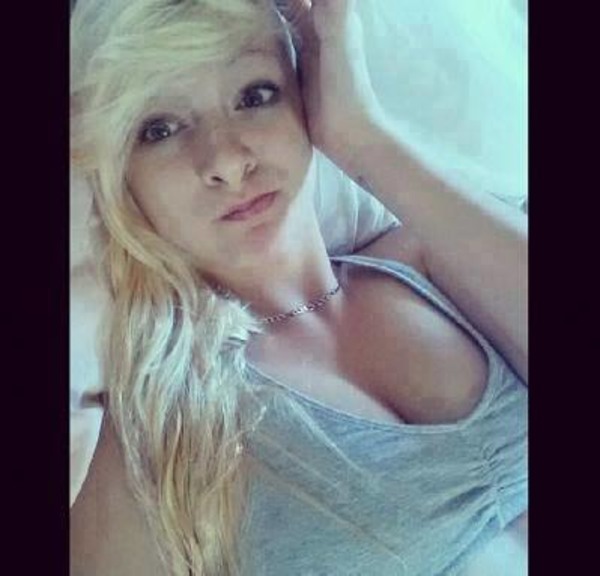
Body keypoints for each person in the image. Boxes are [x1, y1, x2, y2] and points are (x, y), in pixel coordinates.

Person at [70, 0, 528, 574]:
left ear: (302, 99)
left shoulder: (432, 258)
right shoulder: (160, 438)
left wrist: (361, 136)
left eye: (255, 95)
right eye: (159, 129)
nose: (227, 159)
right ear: (119, 177)